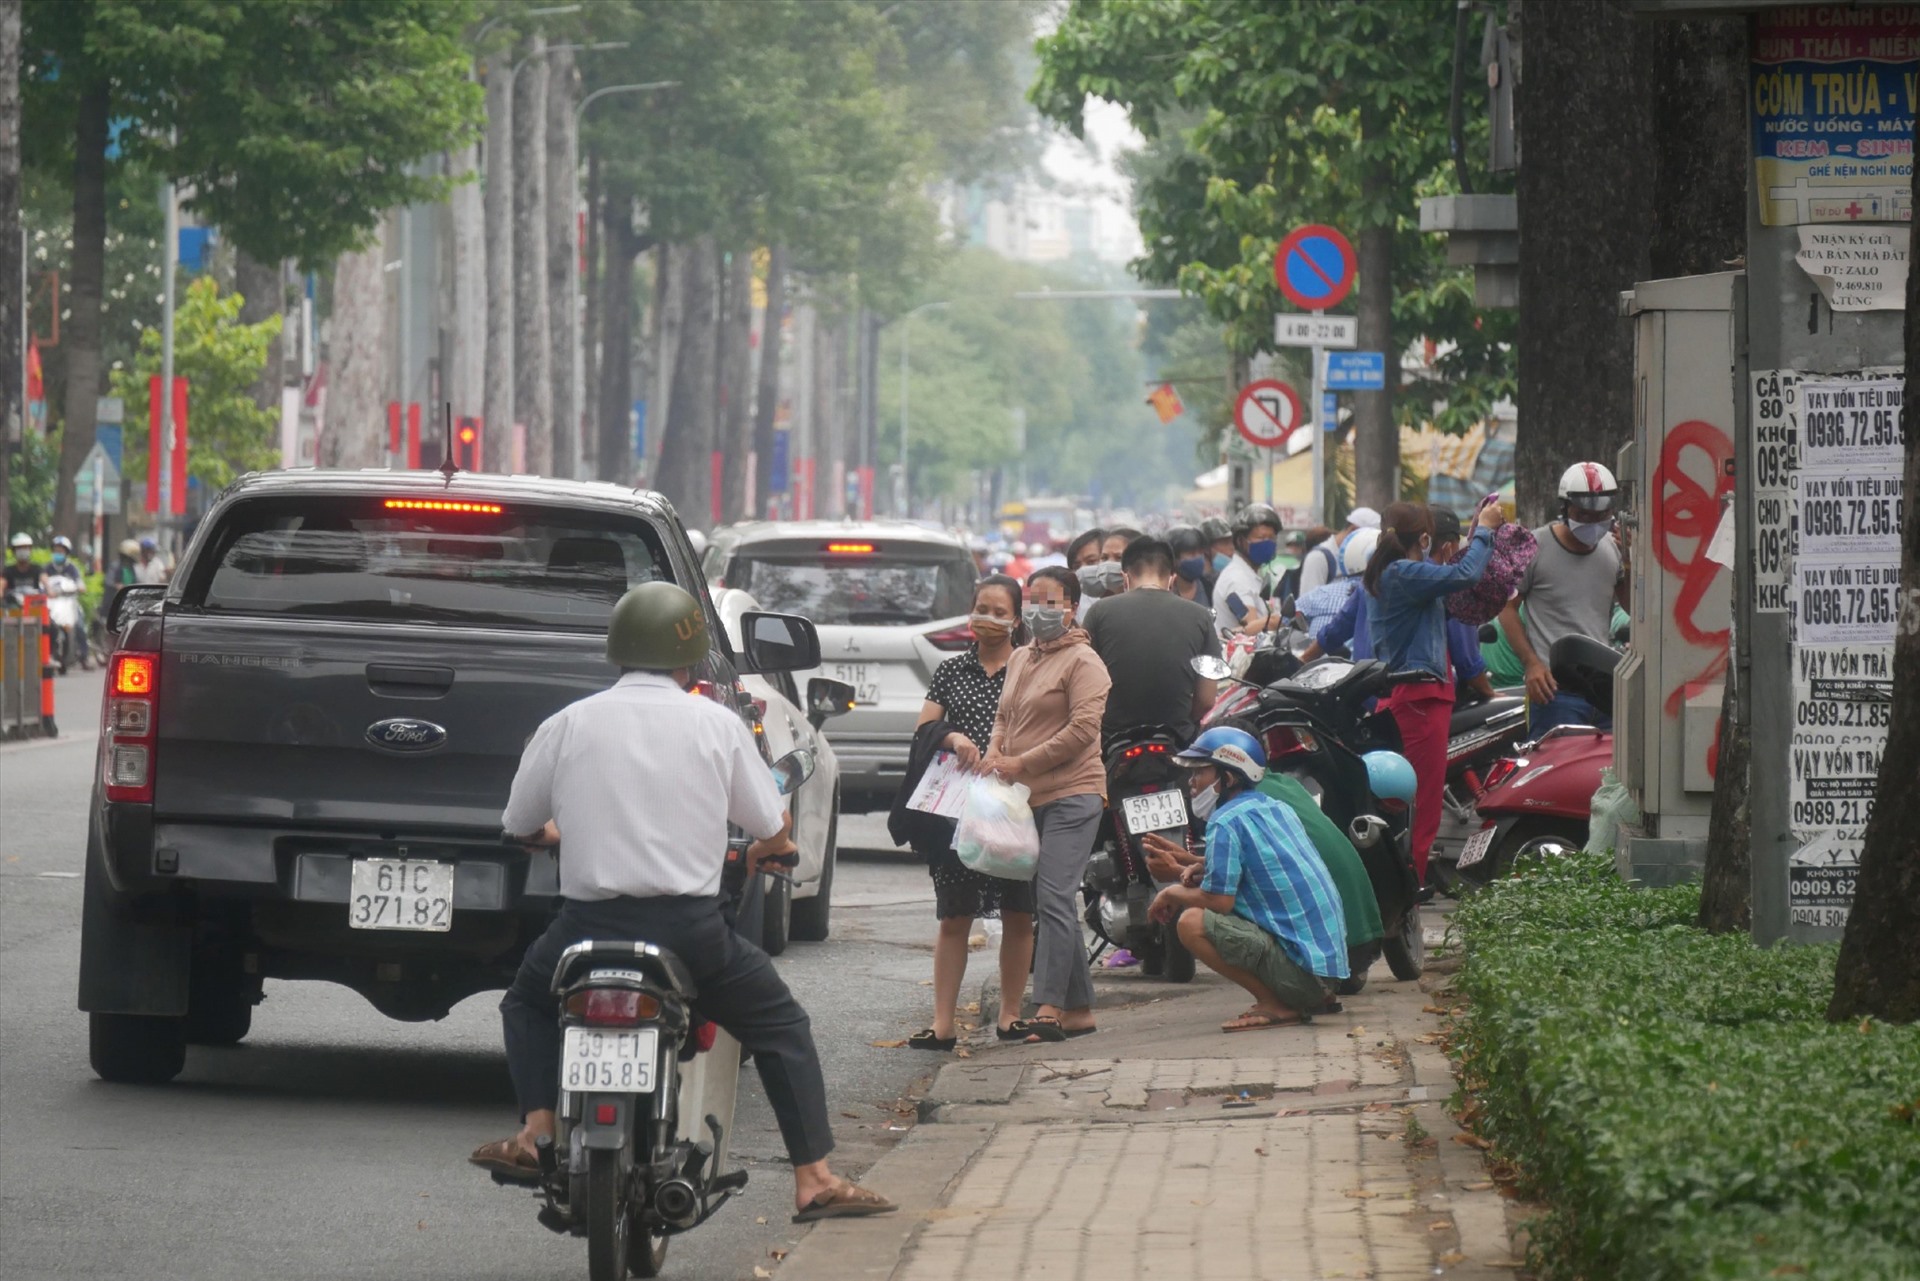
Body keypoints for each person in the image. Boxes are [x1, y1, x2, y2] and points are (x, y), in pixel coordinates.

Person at [472, 581, 895, 1223]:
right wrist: (765, 850)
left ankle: (536, 1134)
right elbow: (769, 825)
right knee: (782, 1028)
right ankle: (813, 1179)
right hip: (689, 934)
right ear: (691, 659)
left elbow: (521, 822)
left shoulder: (567, 723)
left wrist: (561, 832)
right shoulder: (716, 724)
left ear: (617, 652)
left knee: (526, 1001)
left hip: (585, 928)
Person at [1139, 728, 1349, 1031]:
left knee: (1191, 922)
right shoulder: (1274, 808)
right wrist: (1188, 861)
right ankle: (1301, 996)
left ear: (1229, 777)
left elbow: (1220, 901)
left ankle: (1275, 1004)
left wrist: (1170, 893)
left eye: (1200, 772)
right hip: (1326, 975)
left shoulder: (1226, 821)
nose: (1192, 783)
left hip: (1304, 979)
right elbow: (1258, 867)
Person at [906, 575, 1034, 1049]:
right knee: (954, 918)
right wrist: (952, 736)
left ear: (1017, 620)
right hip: (956, 811)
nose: (989, 619)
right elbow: (924, 729)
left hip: (1013, 807)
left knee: (1020, 913)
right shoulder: (951, 670)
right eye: (982, 608)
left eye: (1000, 612)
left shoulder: (1029, 669)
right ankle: (942, 1024)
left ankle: (1011, 1016)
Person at [983, 566, 1110, 1044]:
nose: (1039, 610)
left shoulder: (1085, 663)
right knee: (1050, 900)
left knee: (1054, 896)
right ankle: (1079, 1010)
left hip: (1074, 794)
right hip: (1028, 797)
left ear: (1072, 607)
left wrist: (1022, 762)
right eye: (1033, 600)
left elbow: (1081, 733)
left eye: (1050, 601)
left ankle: (1049, 1006)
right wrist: (998, 751)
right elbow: (1004, 715)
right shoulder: (1021, 658)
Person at [1362, 501, 1504, 886]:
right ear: (1424, 539)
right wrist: (1487, 531)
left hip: (1417, 698)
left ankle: (1406, 883)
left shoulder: (1397, 575)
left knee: (1412, 806)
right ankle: (1409, 887)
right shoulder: (1403, 574)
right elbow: (1466, 573)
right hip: (1419, 701)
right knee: (1419, 807)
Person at [1499, 462, 1624, 733]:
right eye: (1584, 514)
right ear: (1565, 509)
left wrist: (1635, 559)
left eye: (1601, 515)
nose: (1593, 522)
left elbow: (1633, 607)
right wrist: (1531, 663)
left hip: (1605, 694)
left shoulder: (1613, 550)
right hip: (1554, 692)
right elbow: (1506, 608)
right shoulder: (1533, 546)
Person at [1083, 536, 1221, 744]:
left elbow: (1085, 686)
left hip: (1112, 741)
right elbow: (1206, 700)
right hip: (1177, 739)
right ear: (1172, 580)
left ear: (1125, 578)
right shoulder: (1201, 616)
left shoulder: (1099, 612)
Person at [1211, 503, 1283, 631]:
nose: (1267, 543)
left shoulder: (1251, 574)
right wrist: (1278, 621)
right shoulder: (1236, 579)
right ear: (1240, 541)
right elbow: (1252, 628)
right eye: (1261, 537)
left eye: (1271, 538)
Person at [1298, 507, 1380, 597]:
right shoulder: (1318, 557)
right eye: (1368, 539)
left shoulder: (1360, 558)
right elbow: (1307, 601)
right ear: (1353, 530)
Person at [1164, 524, 1215, 608]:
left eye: (1200, 553)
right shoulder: (1164, 594)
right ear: (1174, 559)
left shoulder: (1209, 586)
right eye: (1192, 554)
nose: (1198, 558)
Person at [5, 533, 45, 601]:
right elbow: (2, 584)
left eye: (25, 548)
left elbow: (45, 580)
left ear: (30, 550)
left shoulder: (37, 569)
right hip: (13, 609)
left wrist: (49, 590)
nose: (22, 551)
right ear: (13, 551)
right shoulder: (8, 571)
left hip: (34, 608)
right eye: (19, 548)